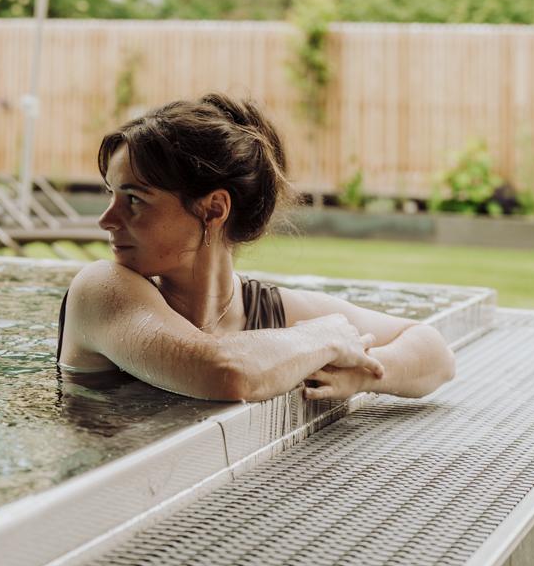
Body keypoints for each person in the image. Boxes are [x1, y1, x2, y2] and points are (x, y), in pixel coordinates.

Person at [57, 94, 457, 403]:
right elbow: (224, 372)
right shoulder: (101, 290)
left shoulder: (270, 311)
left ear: (214, 209)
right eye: (111, 195)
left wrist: (364, 373)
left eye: (134, 200)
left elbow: (435, 353)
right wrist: (326, 338)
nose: (106, 219)